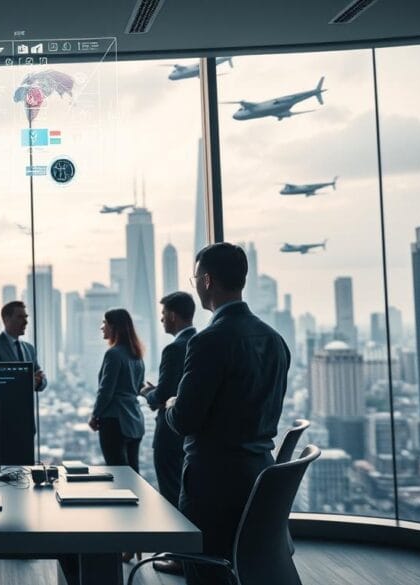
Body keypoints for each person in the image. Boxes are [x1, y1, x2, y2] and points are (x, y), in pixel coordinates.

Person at [165, 243, 291, 585]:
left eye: (194, 278)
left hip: (212, 488)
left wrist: (171, 404)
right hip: (259, 479)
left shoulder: (209, 341)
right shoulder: (274, 339)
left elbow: (185, 421)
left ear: (206, 281)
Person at [139, 291, 196, 576]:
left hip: (170, 431)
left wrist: (148, 393)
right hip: (189, 434)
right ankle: (186, 551)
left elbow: (165, 394)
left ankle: (179, 557)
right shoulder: (200, 342)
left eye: (163, 315)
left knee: (172, 492)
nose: (161, 320)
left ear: (173, 315)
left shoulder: (175, 348)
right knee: (183, 491)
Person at [89, 308, 145, 471]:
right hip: (134, 421)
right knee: (133, 473)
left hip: (115, 421)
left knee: (118, 473)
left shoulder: (113, 354)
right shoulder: (136, 355)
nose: (101, 327)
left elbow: (106, 391)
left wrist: (95, 415)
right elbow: (138, 387)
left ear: (113, 327)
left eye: (104, 323)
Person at [0, 300, 47, 391]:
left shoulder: (30, 349)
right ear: (6, 320)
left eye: (26, 317)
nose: (26, 322)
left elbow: (43, 380)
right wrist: (27, 383)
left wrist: (39, 382)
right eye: (20, 317)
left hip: (28, 405)